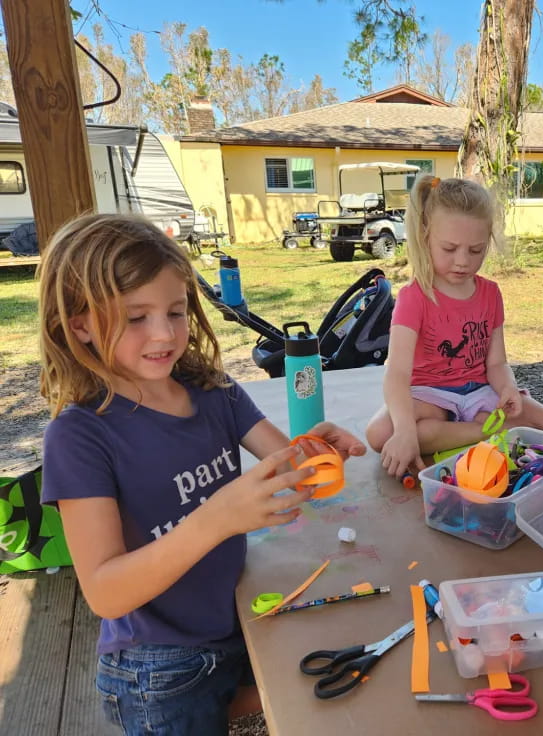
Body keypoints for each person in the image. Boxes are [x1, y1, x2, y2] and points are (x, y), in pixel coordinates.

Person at [37, 214, 366, 735]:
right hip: (156, 667)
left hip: (229, 618)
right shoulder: (80, 437)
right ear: (79, 323)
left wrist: (317, 454)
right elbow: (104, 592)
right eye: (136, 317)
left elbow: (292, 478)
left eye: (175, 311)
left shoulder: (214, 391)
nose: (165, 333)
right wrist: (216, 519)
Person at [366, 174, 543, 477]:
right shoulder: (414, 297)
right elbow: (397, 374)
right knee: (381, 434)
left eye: (475, 250)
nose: (462, 261)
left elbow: (497, 362)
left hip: (481, 392)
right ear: (425, 236)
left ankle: (474, 430)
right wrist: (404, 431)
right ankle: (488, 432)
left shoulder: (490, 293)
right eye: (449, 249)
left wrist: (508, 389)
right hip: (430, 395)